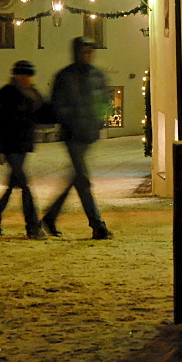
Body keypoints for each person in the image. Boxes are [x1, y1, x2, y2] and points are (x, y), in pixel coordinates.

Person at [42, 37, 113, 240]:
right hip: (73, 134)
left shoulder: (96, 75)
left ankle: (50, 217)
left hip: (88, 133)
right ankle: (97, 225)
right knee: (82, 179)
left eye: (90, 51)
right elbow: (57, 104)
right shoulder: (65, 76)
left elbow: (103, 101)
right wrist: (69, 119)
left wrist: (99, 120)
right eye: (84, 52)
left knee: (77, 178)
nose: (87, 55)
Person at [0, 60, 54, 240]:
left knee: (12, 186)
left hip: (23, 147)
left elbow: (44, 117)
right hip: (9, 148)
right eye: (25, 75)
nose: (28, 79)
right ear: (17, 75)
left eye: (30, 76)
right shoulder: (5, 94)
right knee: (24, 185)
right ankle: (32, 227)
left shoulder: (32, 94)